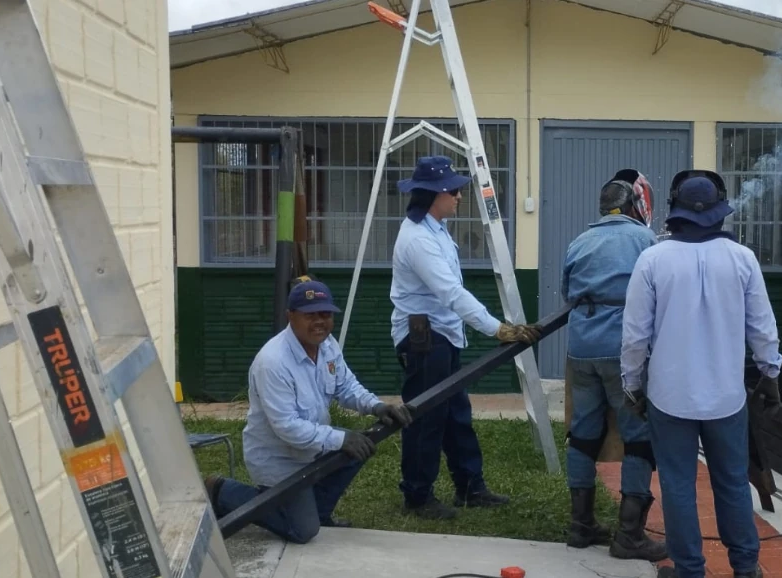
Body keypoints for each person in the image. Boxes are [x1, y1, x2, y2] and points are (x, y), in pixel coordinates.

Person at [619, 170, 782, 578]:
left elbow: (635, 336)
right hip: (727, 398)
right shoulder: (742, 259)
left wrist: (632, 385)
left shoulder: (653, 260)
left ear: (674, 211)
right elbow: (762, 326)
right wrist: (771, 372)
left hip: (669, 396)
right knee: (731, 481)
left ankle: (689, 570)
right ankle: (746, 568)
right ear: (719, 212)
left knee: (677, 486)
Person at [203, 278, 414, 545]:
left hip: (313, 449)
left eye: (325, 314)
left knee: (362, 444)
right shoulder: (273, 362)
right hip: (280, 460)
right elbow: (287, 428)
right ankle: (222, 491)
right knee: (303, 532)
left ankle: (319, 512)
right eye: (309, 315)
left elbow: (346, 385)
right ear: (290, 316)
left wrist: (376, 405)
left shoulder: (327, 345)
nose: (319, 321)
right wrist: (340, 439)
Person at [390, 155, 543, 519]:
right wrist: (497, 328)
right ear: (433, 194)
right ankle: (417, 495)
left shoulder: (434, 229)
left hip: (442, 335)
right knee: (426, 417)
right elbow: (451, 293)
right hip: (424, 341)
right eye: (453, 191)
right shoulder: (418, 240)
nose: (459, 196)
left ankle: (470, 487)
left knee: (456, 414)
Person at [560, 169, 666, 562]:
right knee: (638, 436)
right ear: (638, 205)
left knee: (584, 433)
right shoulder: (645, 240)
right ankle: (630, 536)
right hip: (625, 350)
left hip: (582, 348)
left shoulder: (579, 241)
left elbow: (568, 291)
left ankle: (580, 525)